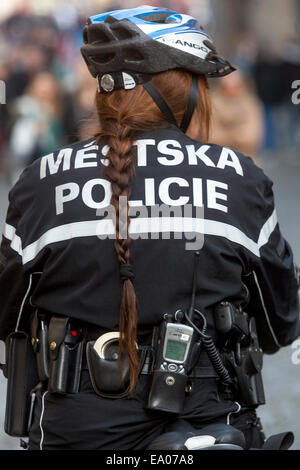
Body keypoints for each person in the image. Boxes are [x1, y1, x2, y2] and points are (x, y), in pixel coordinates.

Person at [0, 5, 299, 451]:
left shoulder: (39, 182)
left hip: (74, 431)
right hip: (213, 429)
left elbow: (8, 315)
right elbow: (280, 325)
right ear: (184, 93)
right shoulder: (240, 178)